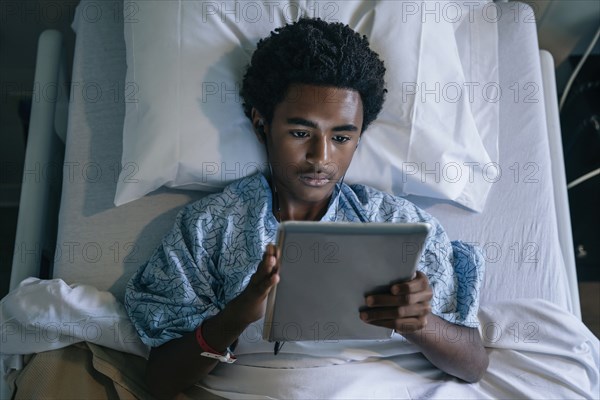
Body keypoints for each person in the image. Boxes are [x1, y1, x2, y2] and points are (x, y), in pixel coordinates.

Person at [125, 17, 489, 399]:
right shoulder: (209, 228)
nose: (321, 157)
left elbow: (472, 365)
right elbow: (161, 381)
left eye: (342, 137)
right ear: (261, 124)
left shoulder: (401, 226)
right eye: (301, 133)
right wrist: (237, 316)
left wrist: (419, 323)